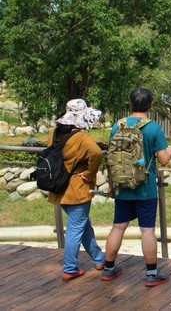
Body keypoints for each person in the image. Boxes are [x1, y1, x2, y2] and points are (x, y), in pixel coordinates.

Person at [102, 87, 171, 287]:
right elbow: (163, 160)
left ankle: (108, 268)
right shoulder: (153, 128)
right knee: (147, 230)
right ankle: (151, 273)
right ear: (150, 105)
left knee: (118, 227)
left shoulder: (118, 126)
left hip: (122, 186)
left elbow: (111, 159)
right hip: (145, 188)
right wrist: (170, 150)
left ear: (130, 104)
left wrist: (111, 185)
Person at [47, 99, 105, 281]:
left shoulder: (54, 133)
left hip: (58, 188)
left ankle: (99, 258)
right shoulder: (81, 137)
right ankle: (70, 268)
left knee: (82, 225)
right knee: (75, 229)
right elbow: (96, 153)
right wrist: (89, 172)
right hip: (77, 189)